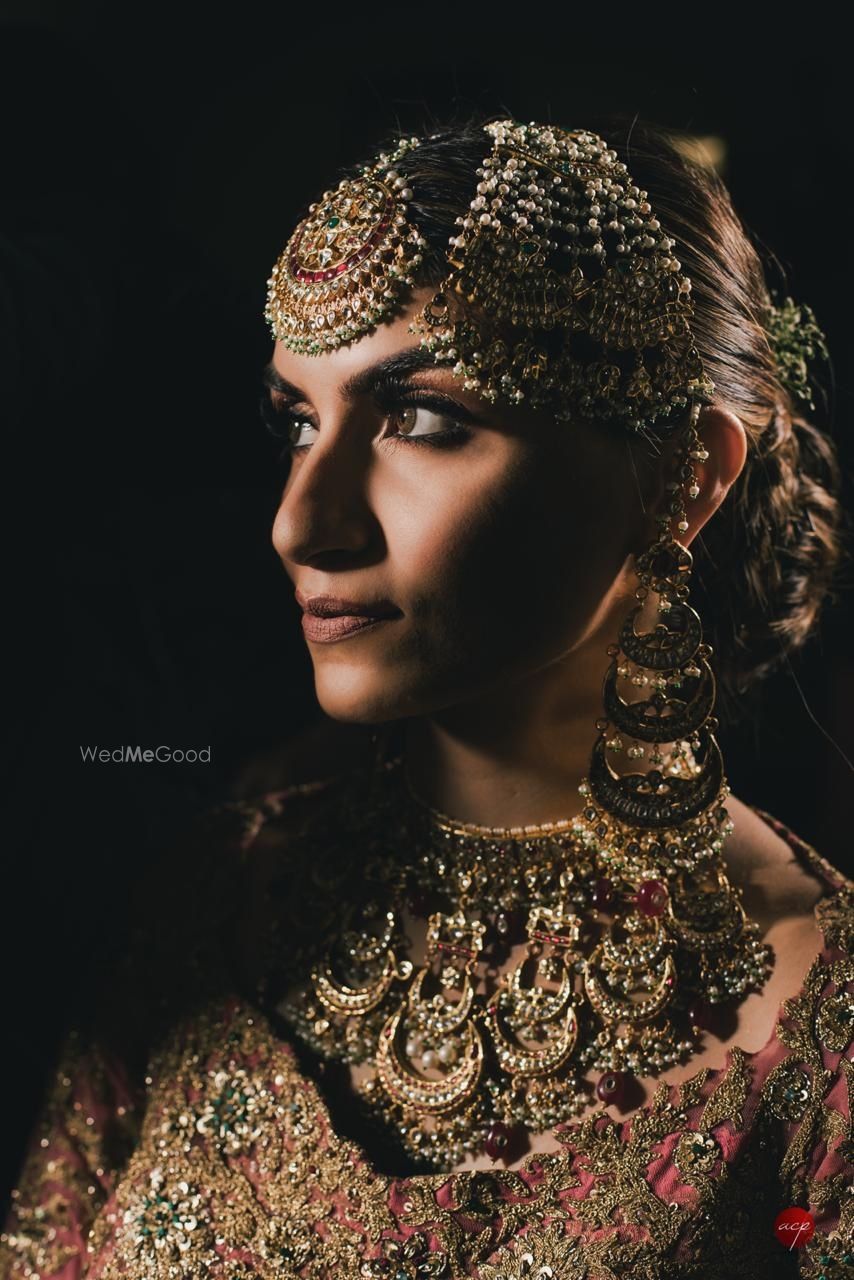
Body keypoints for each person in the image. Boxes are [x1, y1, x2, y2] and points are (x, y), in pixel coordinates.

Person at [2, 113, 852, 1280]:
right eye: (299, 422)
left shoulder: (821, 1019)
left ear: (682, 474)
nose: (301, 520)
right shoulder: (210, 899)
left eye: (422, 419)